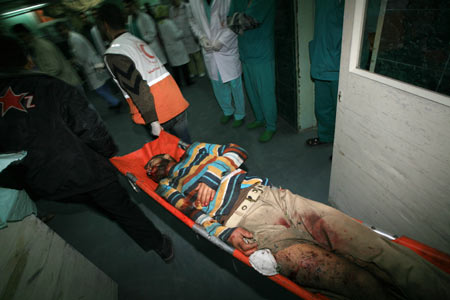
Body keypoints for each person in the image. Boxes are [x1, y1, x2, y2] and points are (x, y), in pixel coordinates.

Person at [145, 138, 450, 299]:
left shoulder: (198, 151)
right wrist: (227, 235)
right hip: (252, 229)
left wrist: (210, 177)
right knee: (356, 281)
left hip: (277, 198)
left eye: (155, 160)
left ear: (169, 155)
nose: (152, 168)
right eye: (149, 169)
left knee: (373, 248)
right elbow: (193, 215)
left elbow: (238, 150)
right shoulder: (167, 187)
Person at [0, 35, 173, 263]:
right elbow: (89, 127)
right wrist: (109, 152)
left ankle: (108, 210)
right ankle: (159, 245)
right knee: (121, 207)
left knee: (92, 201)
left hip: (45, 182)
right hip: (85, 170)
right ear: (26, 59)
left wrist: (26, 182)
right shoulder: (49, 86)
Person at [96, 3, 192, 143]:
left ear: (105, 25)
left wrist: (153, 122)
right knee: (189, 149)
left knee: (173, 156)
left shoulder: (114, 53)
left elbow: (137, 88)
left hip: (157, 113)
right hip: (175, 101)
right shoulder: (134, 39)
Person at [189, 0, 246, 128]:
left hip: (227, 48)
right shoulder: (193, 2)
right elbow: (192, 21)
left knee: (235, 84)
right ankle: (227, 111)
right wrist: (201, 37)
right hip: (209, 50)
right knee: (217, 84)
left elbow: (236, 21)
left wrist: (222, 40)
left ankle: (240, 113)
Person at [228, 0, 277, 142]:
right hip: (245, 52)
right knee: (252, 91)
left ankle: (271, 126)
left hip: (262, 53)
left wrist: (238, 20)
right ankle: (260, 118)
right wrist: (238, 20)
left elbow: (248, 21)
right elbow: (229, 21)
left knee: (265, 93)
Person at [55, 22, 122, 110]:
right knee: (103, 84)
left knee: (98, 88)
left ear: (66, 28)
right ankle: (112, 102)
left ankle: (115, 101)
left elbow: (81, 56)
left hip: (91, 66)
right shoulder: (73, 37)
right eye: (59, 31)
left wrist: (74, 61)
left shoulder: (74, 39)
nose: (61, 33)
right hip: (94, 63)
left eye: (61, 30)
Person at [305, 0, 345, 147]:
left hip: (339, 61)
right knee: (322, 106)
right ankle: (326, 136)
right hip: (321, 59)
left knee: (342, 110)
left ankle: (342, 149)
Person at [11, 23, 83, 91]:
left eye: (22, 36)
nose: (22, 40)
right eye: (19, 38)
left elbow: (54, 68)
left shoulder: (41, 47)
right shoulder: (35, 46)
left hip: (68, 83)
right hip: (67, 83)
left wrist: (40, 81)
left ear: (28, 33)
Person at [154, 5, 193, 87]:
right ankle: (188, 81)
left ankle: (177, 83)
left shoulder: (159, 24)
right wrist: (181, 31)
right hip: (177, 45)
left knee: (175, 68)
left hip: (169, 48)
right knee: (183, 66)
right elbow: (176, 35)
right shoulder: (169, 23)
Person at [169, 0, 206, 79]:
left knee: (196, 54)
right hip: (180, 36)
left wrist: (196, 35)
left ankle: (201, 70)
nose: (173, 2)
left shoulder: (187, 6)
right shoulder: (171, 9)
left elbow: (192, 20)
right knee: (188, 56)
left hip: (190, 34)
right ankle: (193, 72)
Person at [124, 0, 168, 66]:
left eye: (130, 6)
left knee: (160, 69)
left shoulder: (144, 17)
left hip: (151, 48)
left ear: (135, 5)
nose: (128, 9)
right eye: (126, 7)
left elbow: (152, 32)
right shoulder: (130, 19)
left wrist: (143, 40)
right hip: (141, 51)